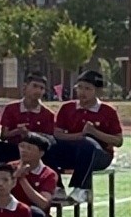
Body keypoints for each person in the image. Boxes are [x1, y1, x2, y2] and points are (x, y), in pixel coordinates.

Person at [45, 70, 124, 202]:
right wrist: (80, 136)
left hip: (100, 155)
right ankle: (57, 187)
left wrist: (95, 133)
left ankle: (81, 188)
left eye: (88, 89)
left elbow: (118, 140)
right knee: (45, 143)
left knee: (87, 144)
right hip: (73, 152)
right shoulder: (67, 108)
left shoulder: (107, 111)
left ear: (97, 91)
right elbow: (57, 134)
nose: (82, 92)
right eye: (80, 87)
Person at [11, 133, 59, 217]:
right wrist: (15, 176)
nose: (24, 150)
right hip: (9, 211)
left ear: (41, 153)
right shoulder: (11, 167)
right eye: (22, 146)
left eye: (29, 148)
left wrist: (22, 180)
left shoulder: (48, 174)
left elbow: (43, 203)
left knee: (35, 213)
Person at [0, 72, 55, 162]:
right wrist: (17, 131)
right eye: (34, 86)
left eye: (41, 88)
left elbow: (49, 140)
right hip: (13, 148)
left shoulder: (48, 114)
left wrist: (30, 135)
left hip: (36, 153)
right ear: (25, 87)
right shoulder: (11, 108)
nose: (38, 91)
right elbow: (3, 136)